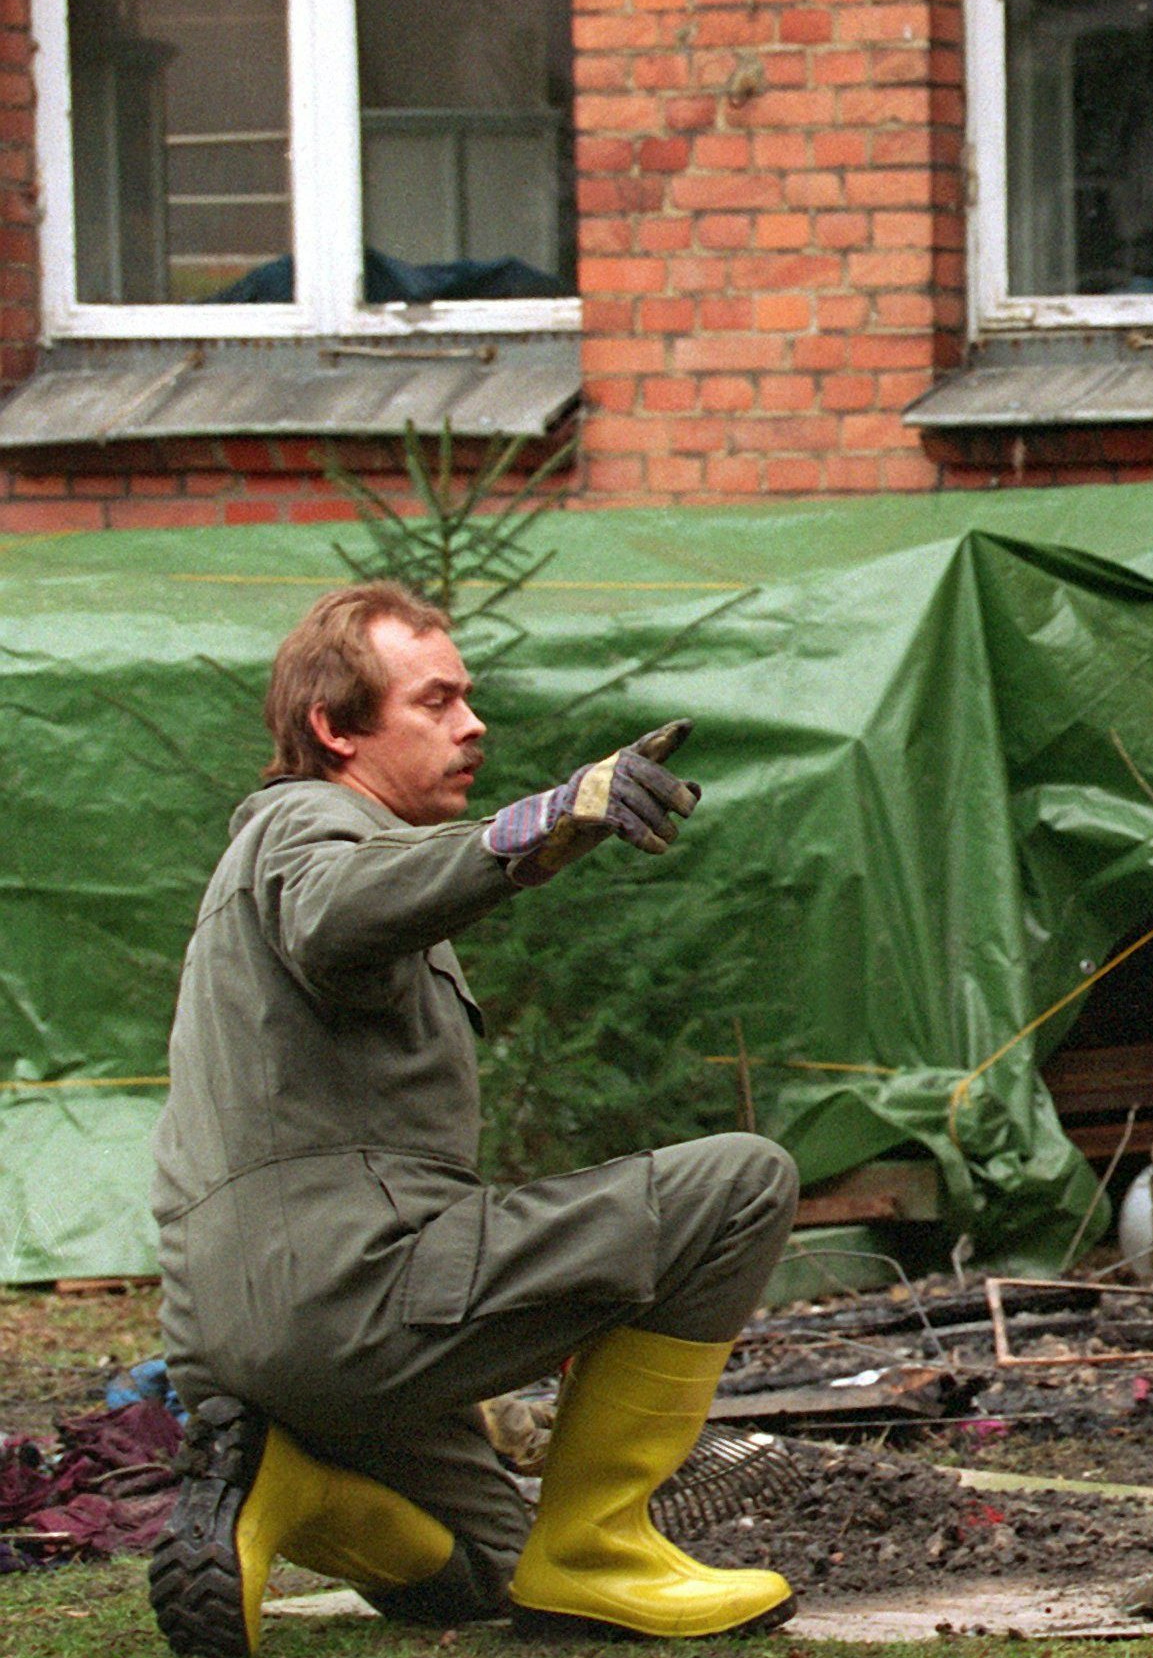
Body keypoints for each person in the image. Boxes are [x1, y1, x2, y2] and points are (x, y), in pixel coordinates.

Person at [144, 582, 804, 1656]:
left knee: (494, 1567)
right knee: (738, 1183)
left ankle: (291, 1492)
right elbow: (337, 913)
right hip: (347, 1297)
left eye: (468, 699)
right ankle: (599, 1550)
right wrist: (534, 826)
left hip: (235, 1342)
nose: (473, 724)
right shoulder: (311, 824)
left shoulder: (266, 877)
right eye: (436, 701)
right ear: (335, 728)